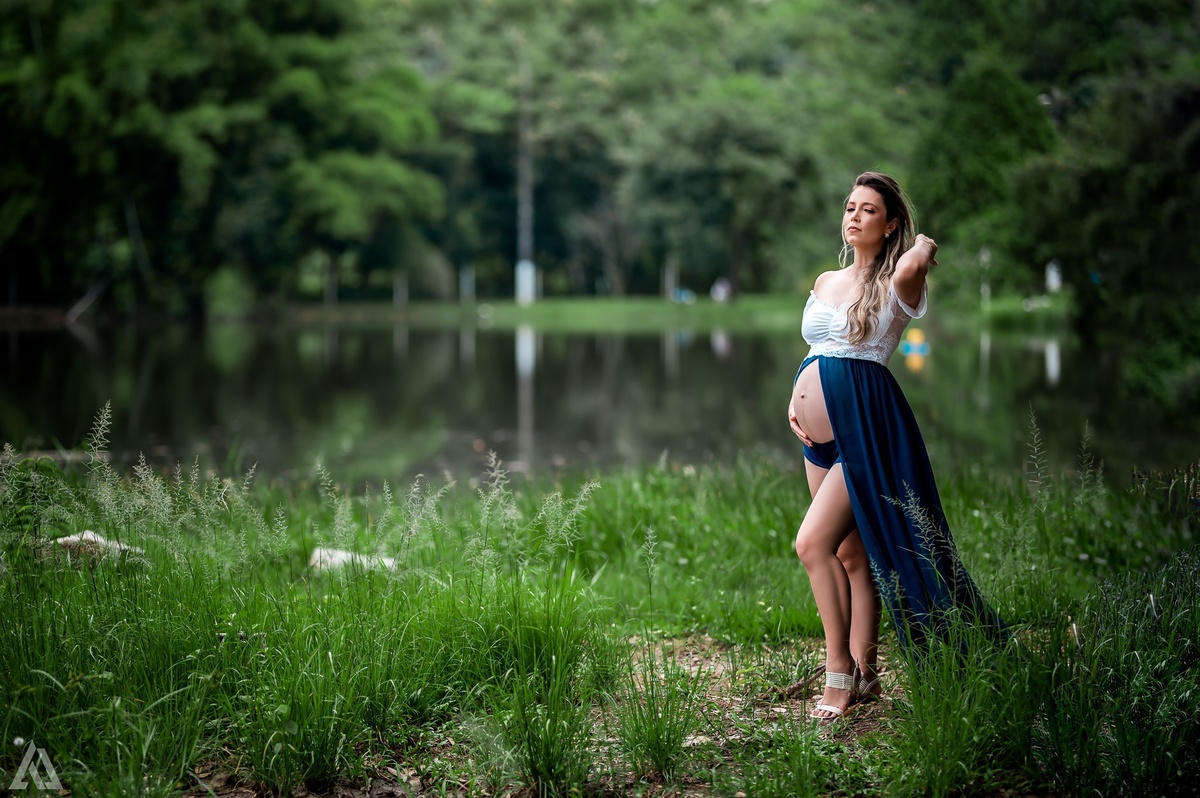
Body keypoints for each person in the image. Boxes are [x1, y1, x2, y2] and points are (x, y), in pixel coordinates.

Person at [787, 171, 1004, 721]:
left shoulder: (900, 284)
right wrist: (798, 398)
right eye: (849, 206)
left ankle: (837, 675)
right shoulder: (824, 280)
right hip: (816, 433)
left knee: (811, 544)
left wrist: (922, 244)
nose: (854, 216)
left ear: (890, 226)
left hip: (866, 425)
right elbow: (821, 347)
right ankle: (865, 672)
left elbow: (909, 261)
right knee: (849, 554)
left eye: (868, 210)